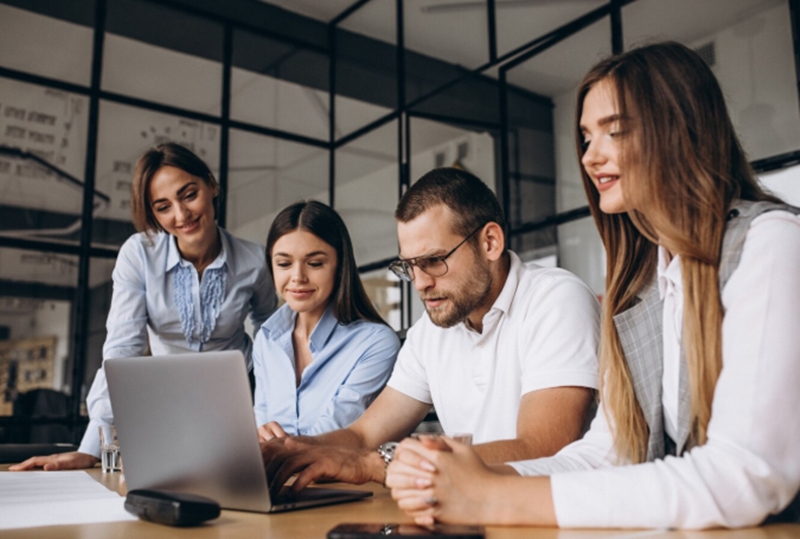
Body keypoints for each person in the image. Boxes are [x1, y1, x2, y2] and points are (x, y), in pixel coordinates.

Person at [386, 42, 800, 529]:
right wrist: (473, 474)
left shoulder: (771, 244)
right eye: (586, 137)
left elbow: (743, 475)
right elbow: (606, 454)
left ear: (680, 130)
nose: (589, 156)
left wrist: (492, 496)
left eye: (615, 132)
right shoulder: (641, 286)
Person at [262, 167, 600, 495]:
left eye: (434, 260)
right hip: (471, 513)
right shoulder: (432, 332)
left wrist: (383, 463)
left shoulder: (555, 299)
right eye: (409, 266)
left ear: (491, 242)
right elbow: (364, 435)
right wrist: (292, 449)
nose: (421, 283)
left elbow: (542, 447)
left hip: (552, 520)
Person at [11, 142, 277, 471]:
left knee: (242, 482)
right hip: (167, 396)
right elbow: (123, 349)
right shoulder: (139, 254)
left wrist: (266, 416)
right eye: (163, 207)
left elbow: (272, 340)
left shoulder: (254, 260)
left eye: (189, 194)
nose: (181, 215)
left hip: (238, 392)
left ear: (211, 184)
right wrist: (93, 446)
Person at [253, 200, 400, 439]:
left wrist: (276, 449)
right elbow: (261, 427)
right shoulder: (265, 340)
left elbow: (334, 435)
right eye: (284, 264)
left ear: (339, 266)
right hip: (274, 474)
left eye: (314, 264)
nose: (297, 277)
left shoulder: (375, 343)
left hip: (336, 474)